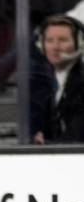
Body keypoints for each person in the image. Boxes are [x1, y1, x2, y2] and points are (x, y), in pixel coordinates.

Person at [33, 15, 84, 144]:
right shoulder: (48, 82)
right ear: (41, 45)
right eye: (49, 40)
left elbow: (75, 139)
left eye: (63, 40)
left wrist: (47, 143)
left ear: (80, 43)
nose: (55, 47)